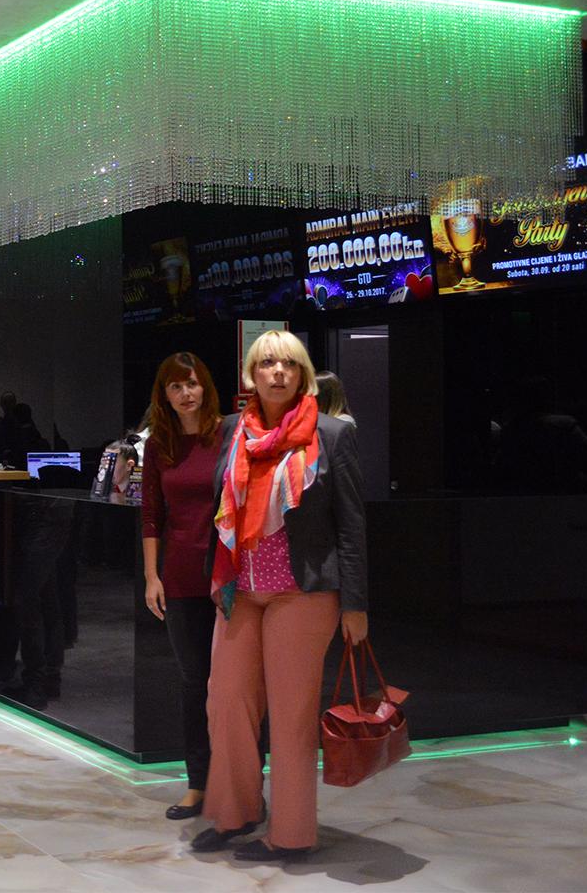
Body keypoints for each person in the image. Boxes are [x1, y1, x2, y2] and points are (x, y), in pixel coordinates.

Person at [195, 330, 368, 863]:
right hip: (240, 589)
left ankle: (291, 835)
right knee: (226, 701)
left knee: (291, 716)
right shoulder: (233, 430)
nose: (277, 372)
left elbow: (352, 525)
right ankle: (237, 812)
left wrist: (356, 604)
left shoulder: (331, 435)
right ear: (251, 374)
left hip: (303, 593)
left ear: (302, 374)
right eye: (267, 363)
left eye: (288, 364)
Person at [139, 352, 224, 821]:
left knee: (235, 685)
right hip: (180, 576)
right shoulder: (160, 444)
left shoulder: (228, 435)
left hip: (229, 577)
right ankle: (198, 783)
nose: (185, 393)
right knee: (194, 682)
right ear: (165, 396)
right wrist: (152, 576)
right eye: (176, 386)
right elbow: (151, 514)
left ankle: (241, 782)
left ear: (204, 386)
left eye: (191, 383)